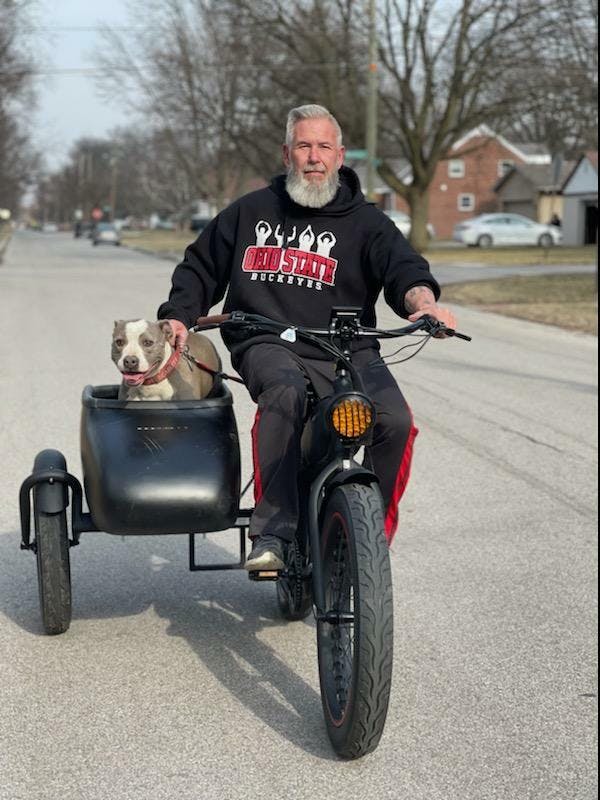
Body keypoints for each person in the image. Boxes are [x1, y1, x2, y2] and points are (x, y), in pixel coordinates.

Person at [157, 104, 457, 572]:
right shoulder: (250, 211)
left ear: (340, 155)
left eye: (323, 147)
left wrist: (423, 303)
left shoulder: (368, 223)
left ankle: (370, 540)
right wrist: (178, 317)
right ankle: (272, 533)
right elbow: (200, 268)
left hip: (347, 345)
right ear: (286, 154)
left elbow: (406, 271)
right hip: (267, 339)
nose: (313, 157)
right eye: (303, 146)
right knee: (284, 392)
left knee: (395, 420)